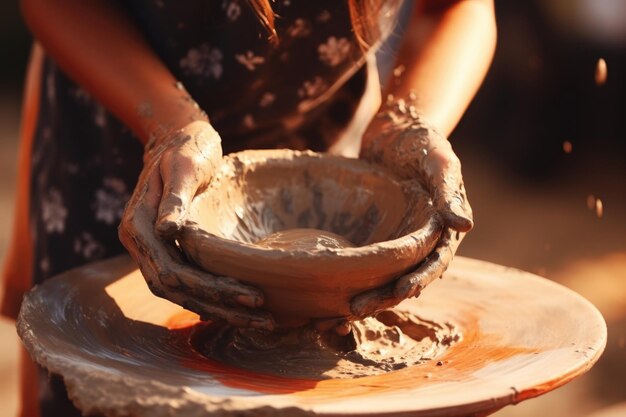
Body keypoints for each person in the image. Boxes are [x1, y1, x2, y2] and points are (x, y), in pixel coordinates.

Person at [2, 0, 496, 416]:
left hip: (322, 142)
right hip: (126, 132)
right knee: (95, 364)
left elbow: (455, 6)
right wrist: (171, 126)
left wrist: (410, 121)